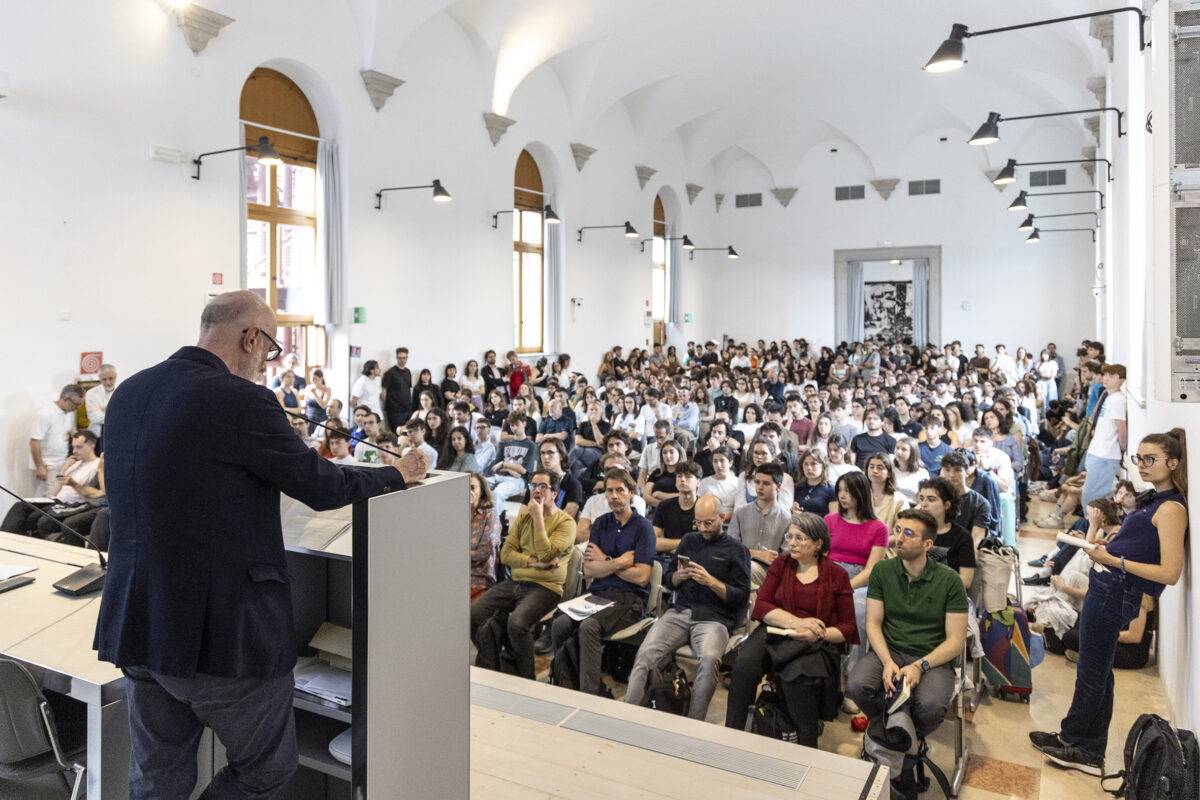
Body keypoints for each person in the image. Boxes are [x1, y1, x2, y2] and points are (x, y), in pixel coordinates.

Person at [93, 290, 426, 799]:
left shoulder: (131, 391)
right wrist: (397, 473)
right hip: (222, 636)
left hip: (137, 622)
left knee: (158, 780)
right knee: (266, 771)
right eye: (270, 350)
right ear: (251, 338)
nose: (266, 362)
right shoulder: (241, 399)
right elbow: (324, 487)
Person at [1032, 429, 1188, 776]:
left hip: (1118, 589)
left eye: (1151, 459)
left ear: (1173, 462)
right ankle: (1082, 743)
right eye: (1139, 458)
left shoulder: (1171, 508)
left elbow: (1170, 571)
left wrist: (1114, 560)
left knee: (1092, 672)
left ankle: (1080, 744)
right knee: (1096, 671)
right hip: (1107, 584)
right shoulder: (1153, 499)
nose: (1142, 465)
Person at [724, 512, 856, 744]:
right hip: (776, 631)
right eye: (790, 536)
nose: (791, 543)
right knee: (743, 667)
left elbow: (847, 627)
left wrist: (818, 631)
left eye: (800, 538)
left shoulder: (837, 575)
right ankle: (732, 734)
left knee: (797, 680)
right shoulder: (782, 564)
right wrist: (797, 622)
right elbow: (763, 605)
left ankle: (805, 744)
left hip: (814, 642)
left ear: (818, 543)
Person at [846, 509, 969, 741]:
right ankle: (893, 731)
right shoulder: (883, 570)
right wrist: (886, 661)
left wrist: (920, 666)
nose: (898, 539)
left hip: (932, 658)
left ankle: (908, 739)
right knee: (856, 686)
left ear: (927, 544)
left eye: (909, 534)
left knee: (930, 706)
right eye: (898, 530)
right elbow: (873, 623)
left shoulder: (950, 581)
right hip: (890, 649)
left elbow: (956, 641)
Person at [625, 495, 751, 720]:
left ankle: (694, 722)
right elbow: (668, 580)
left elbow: (741, 597)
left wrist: (711, 581)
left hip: (715, 618)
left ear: (722, 517)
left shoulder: (737, 550)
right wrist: (678, 577)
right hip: (680, 612)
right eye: (698, 522)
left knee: (710, 659)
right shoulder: (688, 541)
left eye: (708, 523)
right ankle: (629, 714)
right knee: (645, 654)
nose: (702, 527)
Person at [548, 468, 654, 695]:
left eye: (620, 490)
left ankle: (590, 694)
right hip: (596, 594)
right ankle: (565, 683)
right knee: (559, 623)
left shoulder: (643, 527)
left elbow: (642, 576)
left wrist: (605, 563)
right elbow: (589, 569)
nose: (614, 496)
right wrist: (618, 562)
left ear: (631, 493)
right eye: (609, 491)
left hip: (630, 599)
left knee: (588, 627)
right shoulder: (600, 524)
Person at [470, 470, 576, 678]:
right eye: (533, 485)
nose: (536, 490)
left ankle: (526, 679)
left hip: (546, 587)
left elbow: (546, 554)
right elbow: (506, 554)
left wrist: (537, 517)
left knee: (517, 623)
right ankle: (497, 669)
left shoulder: (566, 523)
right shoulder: (523, 516)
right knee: (474, 616)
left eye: (543, 486)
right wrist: (532, 562)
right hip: (516, 581)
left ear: (554, 493)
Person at [2, 430, 103, 538]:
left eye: (79, 447)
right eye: (73, 447)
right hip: (55, 500)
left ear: (92, 445)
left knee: (35, 518)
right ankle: (4, 540)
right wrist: (63, 469)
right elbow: (55, 492)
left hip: (73, 503)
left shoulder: (97, 465)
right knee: (20, 506)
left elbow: (92, 494)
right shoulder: (74, 463)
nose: (74, 451)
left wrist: (72, 483)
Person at [728, 462, 791, 587]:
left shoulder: (787, 519)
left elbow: (787, 556)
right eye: (757, 482)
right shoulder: (740, 512)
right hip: (741, 566)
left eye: (766, 483)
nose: (760, 487)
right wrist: (757, 554)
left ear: (778, 486)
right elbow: (730, 547)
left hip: (771, 572)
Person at [1081, 364, 1127, 507]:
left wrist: (1123, 447)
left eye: (1112, 376)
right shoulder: (1109, 397)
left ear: (1122, 380)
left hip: (1105, 456)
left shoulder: (1118, 399)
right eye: (1105, 375)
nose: (1106, 378)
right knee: (1088, 496)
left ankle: (1092, 527)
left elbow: (1122, 429)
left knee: (1092, 500)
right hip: (1097, 453)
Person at [29, 384, 84, 495]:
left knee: (56, 496)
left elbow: (65, 431)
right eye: (76, 404)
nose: (78, 408)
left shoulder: (69, 413)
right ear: (65, 399)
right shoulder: (45, 414)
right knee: (50, 498)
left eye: (80, 405)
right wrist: (40, 467)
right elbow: (34, 441)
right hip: (48, 465)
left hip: (62, 463)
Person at [938, 451, 994, 543]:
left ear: (966, 472)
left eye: (957, 470)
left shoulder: (980, 503)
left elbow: (976, 541)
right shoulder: (934, 496)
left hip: (963, 550)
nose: (952, 475)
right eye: (947, 470)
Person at [485, 412, 538, 506]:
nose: (514, 428)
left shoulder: (531, 445)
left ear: (524, 423)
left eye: (517, 425)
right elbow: (495, 467)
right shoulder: (503, 444)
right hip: (499, 476)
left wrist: (504, 464)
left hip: (518, 481)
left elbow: (524, 471)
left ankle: (494, 521)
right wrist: (511, 469)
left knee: (497, 493)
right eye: (512, 425)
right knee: (474, 486)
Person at [652, 460, 702, 554]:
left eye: (688, 476)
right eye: (679, 476)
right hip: (669, 558)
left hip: (697, 558)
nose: (682, 479)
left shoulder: (704, 507)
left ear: (698, 482)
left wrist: (669, 545)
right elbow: (653, 542)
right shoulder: (664, 506)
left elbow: (704, 543)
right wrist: (685, 543)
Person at [468, 473, 501, 602]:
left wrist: (455, 555)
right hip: (452, 575)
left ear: (481, 492)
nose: (468, 491)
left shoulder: (490, 515)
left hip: (479, 578)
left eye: (472, 488)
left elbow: (483, 553)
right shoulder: (453, 514)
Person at [866, 453, 909, 531]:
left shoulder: (900, 500)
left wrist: (880, 542)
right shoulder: (860, 495)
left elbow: (900, 531)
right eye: (871, 467)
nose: (874, 470)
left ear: (889, 473)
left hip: (887, 541)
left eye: (880, 468)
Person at [697, 447, 739, 518]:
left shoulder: (738, 482)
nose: (718, 465)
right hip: (708, 521)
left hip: (732, 522)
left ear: (730, 463)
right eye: (715, 461)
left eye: (722, 461)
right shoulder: (705, 482)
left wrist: (719, 518)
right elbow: (699, 507)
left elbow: (739, 509)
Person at [380, 347, 413, 431]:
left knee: (407, 434)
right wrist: (388, 407)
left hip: (407, 410)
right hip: (394, 411)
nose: (402, 360)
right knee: (397, 434)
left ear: (407, 358)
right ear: (396, 358)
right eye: (400, 358)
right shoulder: (390, 373)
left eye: (404, 358)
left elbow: (408, 390)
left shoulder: (408, 372)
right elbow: (383, 392)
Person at [891, 437, 929, 503]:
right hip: (891, 505)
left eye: (904, 449)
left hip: (911, 508)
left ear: (912, 452)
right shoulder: (890, 467)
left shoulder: (922, 473)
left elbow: (923, 501)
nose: (898, 452)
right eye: (897, 448)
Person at [85, 364, 118, 437]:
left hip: (117, 433)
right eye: (104, 379)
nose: (108, 382)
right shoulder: (91, 393)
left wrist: (105, 410)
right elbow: (94, 417)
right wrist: (116, 414)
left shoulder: (122, 391)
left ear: (115, 376)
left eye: (111, 378)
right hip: (97, 435)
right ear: (99, 378)